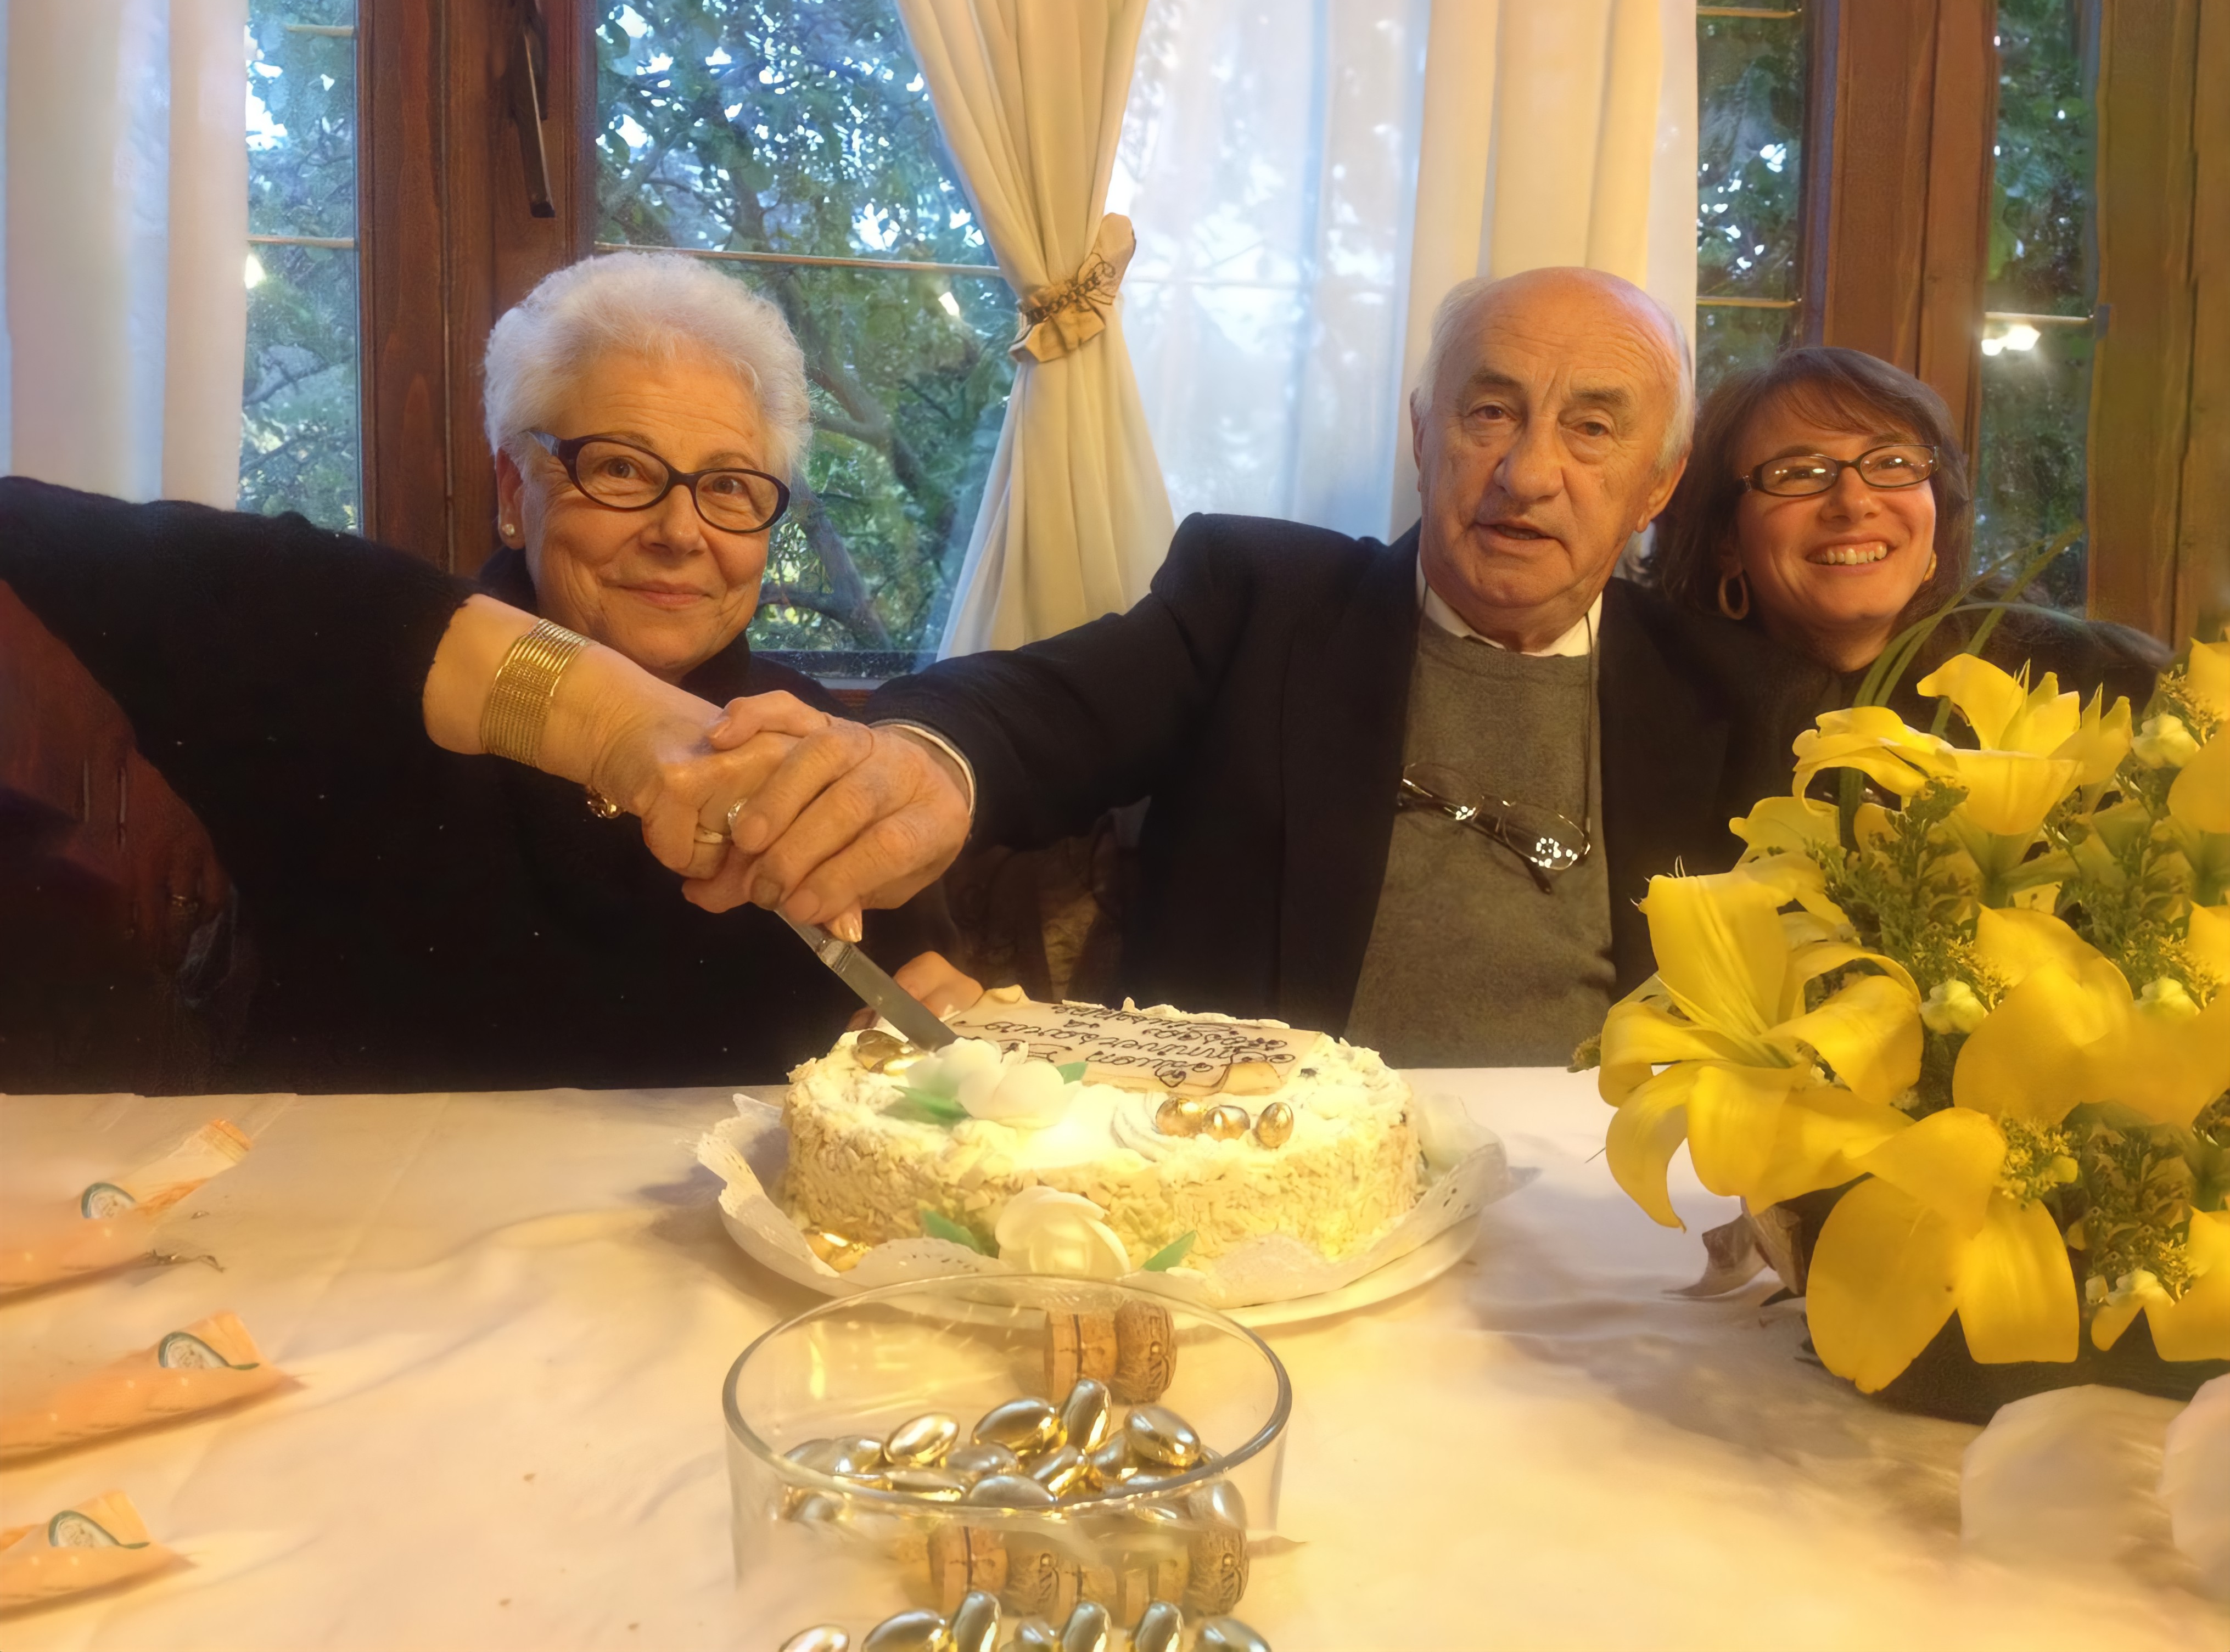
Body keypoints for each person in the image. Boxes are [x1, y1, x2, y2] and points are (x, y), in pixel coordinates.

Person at [688, 268, 1833, 1067]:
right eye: (1491, 410)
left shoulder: (1741, 702)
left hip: (1590, 1211)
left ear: (1658, 483)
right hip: (1251, 1182)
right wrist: (920, 761)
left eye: (1592, 428)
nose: (1528, 472)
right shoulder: (1261, 603)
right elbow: (1044, 707)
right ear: (1423, 434)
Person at [0, 252, 971, 1086]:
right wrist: (600, 716)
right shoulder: (349, 694)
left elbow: (918, 1000)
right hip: (367, 1233)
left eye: (727, 485)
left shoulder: (810, 739)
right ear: (515, 488)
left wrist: (941, 1034)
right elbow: (50, 534)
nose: (681, 532)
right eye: (621, 469)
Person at [1650, 345, 2164, 714]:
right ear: (1727, 540)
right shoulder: (1663, 715)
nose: (1854, 503)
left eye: (1893, 462)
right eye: (1800, 473)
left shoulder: (2097, 683)